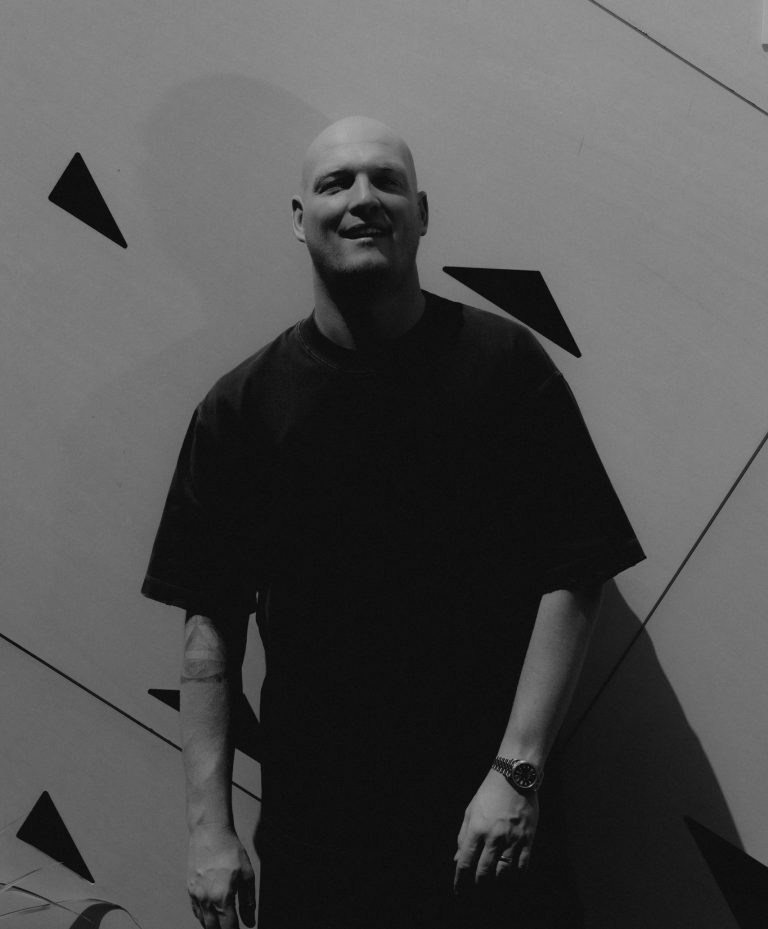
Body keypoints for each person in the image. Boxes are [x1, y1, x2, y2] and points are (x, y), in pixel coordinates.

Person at [141, 116, 645, 929]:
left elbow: (576, 570)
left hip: (489, 831)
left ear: (422, 212)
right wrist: (209, 830)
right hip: (319, 841)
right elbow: (210, 635)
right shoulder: (240, 409)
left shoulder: (505, 366)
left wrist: (516, 772)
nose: (363, 198)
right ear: (299, 217)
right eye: (336, 183)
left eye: (387, 181)